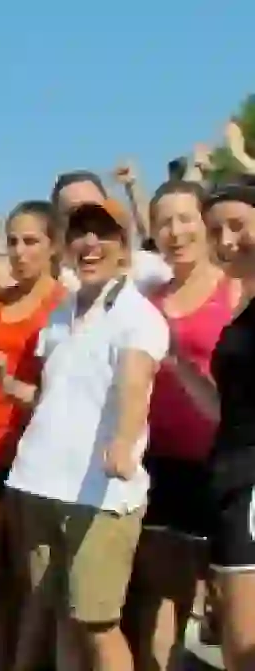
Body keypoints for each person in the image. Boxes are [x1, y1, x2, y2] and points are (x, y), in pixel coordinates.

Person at [4, 200, 167, 670]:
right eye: (80, 232)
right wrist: (6, 386)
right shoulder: (60, 314)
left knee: (98, 624)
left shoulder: (139, 315)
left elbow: (135, 382)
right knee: (62, 615)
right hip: (40, 483)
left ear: (124, 247)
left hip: (101, 493)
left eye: (104, 234)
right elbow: (57, 398)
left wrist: (124, 440)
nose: (90, 243)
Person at [128, 180, 233, 670]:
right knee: (160, 589)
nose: (175, 231)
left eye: (185, 218)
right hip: (157, 461)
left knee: (229, 599)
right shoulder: (149, 298)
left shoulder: (234, 288)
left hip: (222, 460)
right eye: (163, 222)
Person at [0, 202, 64, 669]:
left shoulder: (62, 304)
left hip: (32, 457)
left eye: (31, 241)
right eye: (14, 242)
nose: (20, 252)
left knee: (30, 585)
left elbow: (60, 392)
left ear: (53, 246)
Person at [198, 183, 255, 670]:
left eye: (238, 224)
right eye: (216, 229)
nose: (226, 238)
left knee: (243, 643)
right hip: (229, 479)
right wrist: (175, 366)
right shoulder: (241, 308)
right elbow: (229, 405)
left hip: (252, 485)